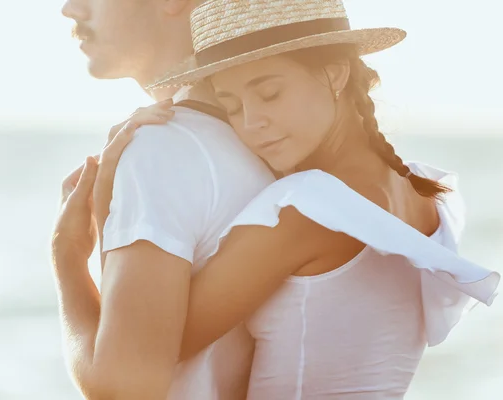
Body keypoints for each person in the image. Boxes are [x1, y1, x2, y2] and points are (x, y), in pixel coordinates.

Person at [69, 0, 501, 398]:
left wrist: (71, 251)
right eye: (232, 104)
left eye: (269, 93)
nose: (253, 122)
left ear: (335, 73)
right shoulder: (422, 190)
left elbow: (132, 372)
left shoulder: (303, 212)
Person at [52, 0, 275, 399]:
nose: (71, 9)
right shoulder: (269, 139)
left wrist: (66, 255)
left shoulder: (162, 147)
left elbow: (125, 389)